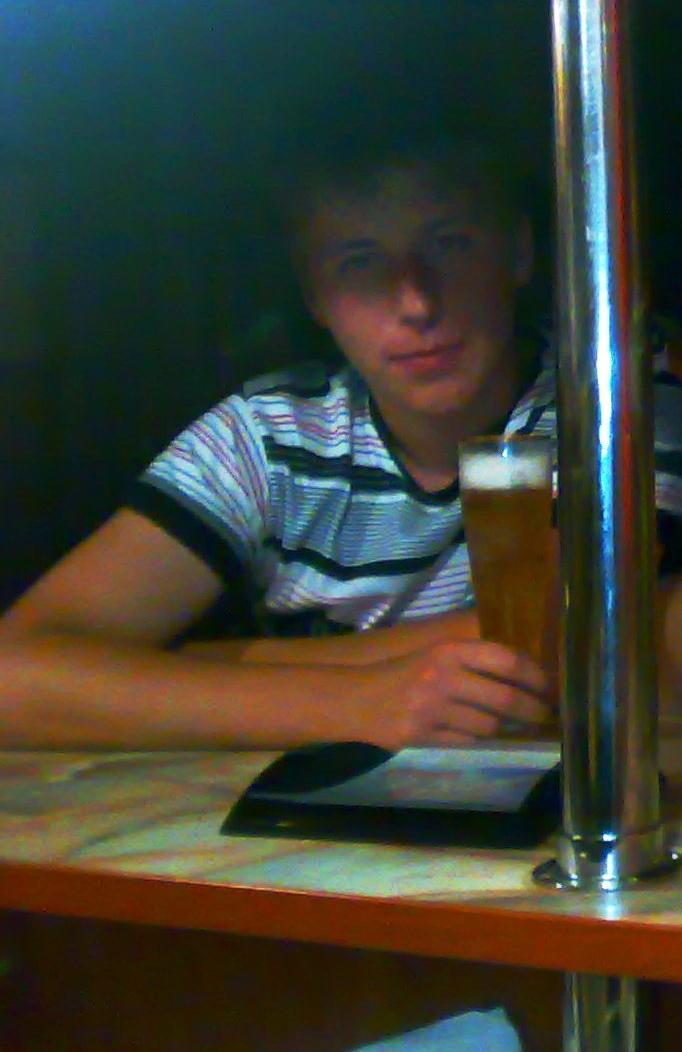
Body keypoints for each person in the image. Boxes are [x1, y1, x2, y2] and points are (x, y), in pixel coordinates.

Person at [0, 131, 680, 750]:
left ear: (518, 252)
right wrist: (351, 704)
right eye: (360, 262)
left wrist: (203, 664)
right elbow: (15, 675)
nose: (416, 302)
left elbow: (581, 636)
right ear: (314, 296)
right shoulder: (266, 433)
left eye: (449, 244)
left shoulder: (612, 394)